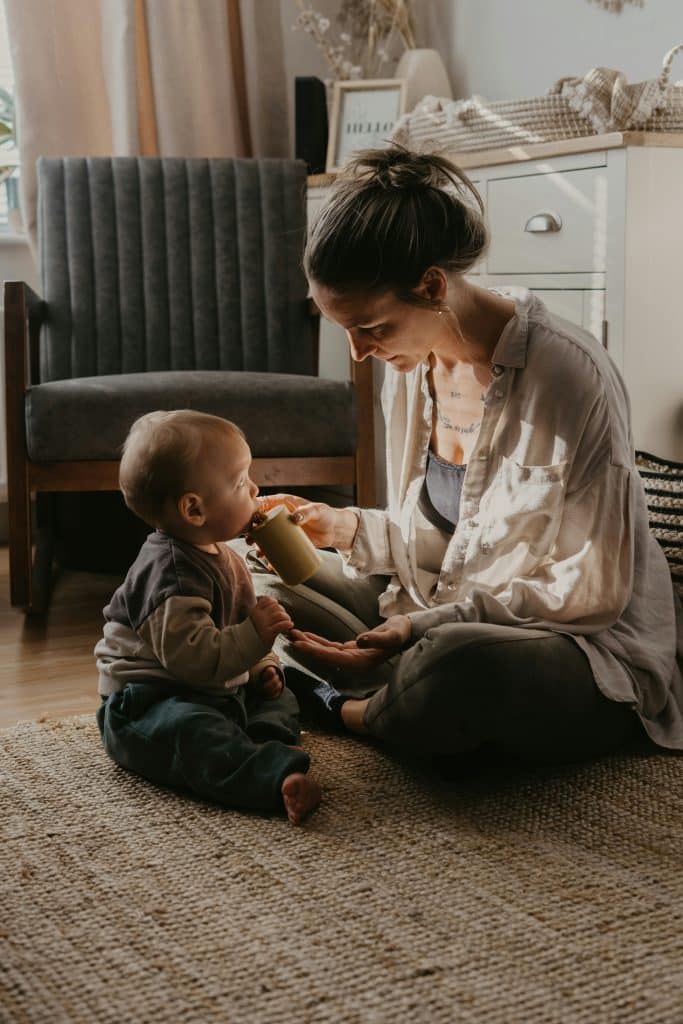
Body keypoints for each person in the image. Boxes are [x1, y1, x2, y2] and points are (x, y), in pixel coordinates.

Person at [246, 144, 683, 764]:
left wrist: (425, 628)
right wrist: (340, 526)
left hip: (577, 649)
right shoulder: (411, 366)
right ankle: (392, 701)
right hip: (440, 606)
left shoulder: (570, 377)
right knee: (256, 586)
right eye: (341, 327)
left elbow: (589, 593)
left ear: (431, 286)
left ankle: (343, 708)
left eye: (371, 327)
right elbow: (446, 545)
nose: (359, 354)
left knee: (454, 668)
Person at [95, 410, 321, 825]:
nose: (255, 488)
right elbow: (193, 661)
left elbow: (228, 629)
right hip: (151, 701)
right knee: (191, 732)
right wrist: (255, 635)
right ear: (194, 509)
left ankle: (258, 744)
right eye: (240, 482)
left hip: (215, 689)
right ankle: (266, 775)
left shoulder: (225, 556)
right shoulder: (169, 575)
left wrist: (262, 666)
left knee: (280, 697)